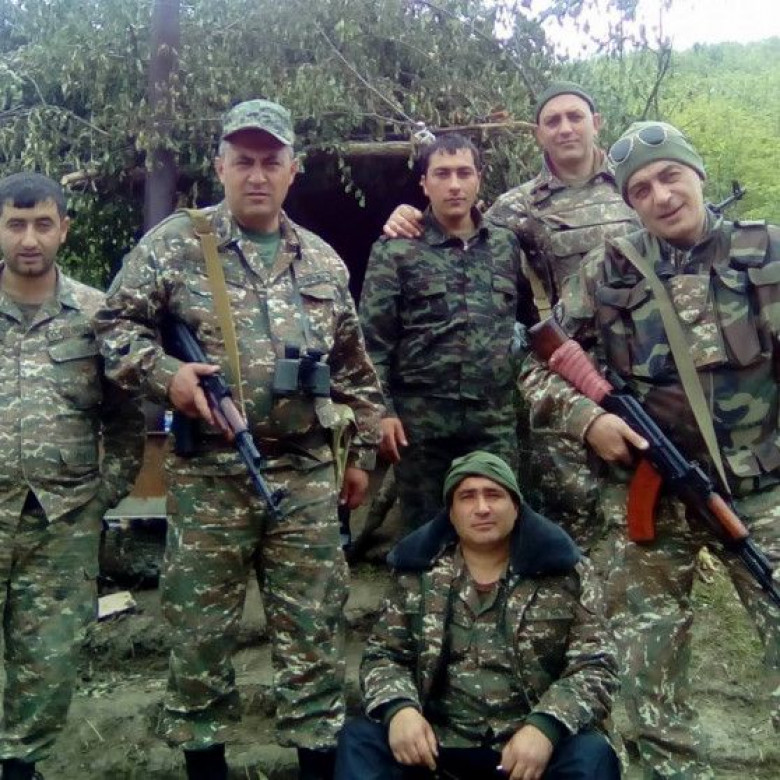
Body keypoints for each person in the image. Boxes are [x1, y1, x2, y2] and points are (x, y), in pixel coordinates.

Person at [94, 99, 384, 780]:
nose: (257, 175)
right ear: (220, 166)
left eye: (271, 162)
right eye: (244, 161)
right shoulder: (175, 244)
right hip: (210, 477)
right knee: (199, 640)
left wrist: (362, 456)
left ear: (292, 170)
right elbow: (112, 327)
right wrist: (168, 377)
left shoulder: (322, 262)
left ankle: (317, 764)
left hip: (305, 475)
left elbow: (355, 371)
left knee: (314, 634)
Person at [521, 120, 780, 777]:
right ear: (629, 201)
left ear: (698, 175)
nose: (661, 196)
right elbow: (532, 365)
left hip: (763, 489)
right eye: (641, 189)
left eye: (671, 177)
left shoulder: (767, 251)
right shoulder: (608, 269)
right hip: (654, 498)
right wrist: (587, 420)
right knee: (647, 660)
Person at [382, 83, 637, 556]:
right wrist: (407, 217)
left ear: (596, 123)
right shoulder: (515, 209)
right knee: (569, 501)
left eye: (575, 117)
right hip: (566, 369)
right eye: (553, 121)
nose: (565, 128)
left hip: (643, 365)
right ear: (538, 134)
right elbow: (461, 228)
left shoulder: (636, 184)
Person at [335, 450, 621, 780]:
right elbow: (384, 655)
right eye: (467, 497)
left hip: (529, 752)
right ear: (451, 513)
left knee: (591, 755)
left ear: (516, 507)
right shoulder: (417, 571)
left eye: (494, 495)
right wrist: (400, 710)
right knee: (360, 740)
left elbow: (596, 664)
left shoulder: (567, 572)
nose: (482, 508)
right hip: (438, 745)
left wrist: (546, 726)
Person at [0, 172, 144, 780]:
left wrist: (99, 499)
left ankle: (19, 769)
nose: (29, 239)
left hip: (61, 525)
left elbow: (126, 420)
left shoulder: (96, 315)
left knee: (48, 664)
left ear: (64, 229)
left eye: (42, 224)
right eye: (15, 224)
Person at [360, 133, 523, 535]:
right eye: (442, 174)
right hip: (422, 423)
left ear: (479, 179)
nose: (454, 185)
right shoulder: (395, 250)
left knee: (495, 527)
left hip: (493, 419)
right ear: (424, 183)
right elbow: (371, 342)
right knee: (425, 532)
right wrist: (383, 412)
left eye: (464, 173)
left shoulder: (505, 245)